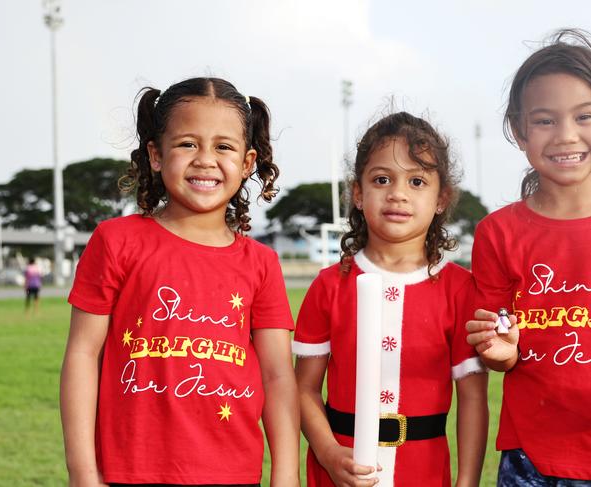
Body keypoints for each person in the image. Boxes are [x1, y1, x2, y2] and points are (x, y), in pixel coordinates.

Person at [59, 77, 299, 486]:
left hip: (233, 474)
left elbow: (277, 376)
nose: (205, 159)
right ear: (156, 155)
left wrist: (286, 476)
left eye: (223, 146)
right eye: (188, 143)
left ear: (246, 162)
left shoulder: (262, 263)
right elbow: (82, 355)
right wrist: (84, 474)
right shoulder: (116, 241)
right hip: (130, 473)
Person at [294, 112, 488, 487]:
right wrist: (329, 454)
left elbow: (473, 400)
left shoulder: (460, 290)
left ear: (441, 198)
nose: (398, 193)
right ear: (358, 193)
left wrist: (466, 483)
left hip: (425, 472)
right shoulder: (329, 285)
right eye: (382, 179)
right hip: (339, 470)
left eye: (417, 181)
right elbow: (303, 389)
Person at [465, 29, 591, 485]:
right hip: (530, 456)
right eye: (544, 121)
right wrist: (500, 351)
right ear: (519, 131)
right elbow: (501, 346)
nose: (566, 135)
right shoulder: (498, 233)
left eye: (585, 116)